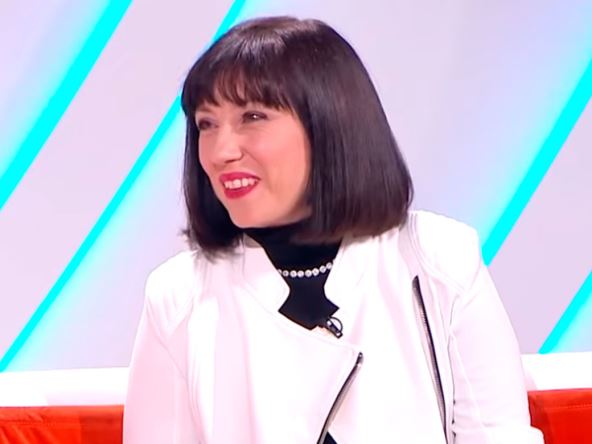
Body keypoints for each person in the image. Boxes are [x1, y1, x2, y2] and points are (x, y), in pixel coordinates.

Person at [123, 16, 543, 443]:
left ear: (328, 124)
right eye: (206, 124)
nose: (221, 151)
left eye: (252, 116)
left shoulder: (438, 260)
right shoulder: (178, 295)